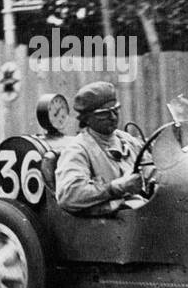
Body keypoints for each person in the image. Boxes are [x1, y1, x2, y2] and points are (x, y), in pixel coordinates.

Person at [56, 81, 155, 215]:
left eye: (115, 110)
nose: (113, 117)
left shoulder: (126, 140)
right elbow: (68, 195)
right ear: (87, 118)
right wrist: (116, 187)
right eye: (104, 113)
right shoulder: (78, 149)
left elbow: (152, 172)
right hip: (114, 226)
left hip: (143, 214)